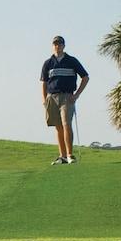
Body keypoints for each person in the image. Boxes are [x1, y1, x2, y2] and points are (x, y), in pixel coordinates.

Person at [40, 34, 90, 165]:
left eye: (60, 44)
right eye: (55, 44)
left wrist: (77, 94)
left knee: (66, 124)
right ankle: (62, 156)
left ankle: (69, 155)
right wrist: (44, 99)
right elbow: (44, 82)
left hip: (67, 97)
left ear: (64, 46)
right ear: (53, 46)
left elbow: (85, 77)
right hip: (52, 97)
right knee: (58, 127)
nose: (58, 46)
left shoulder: (72, 60)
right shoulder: (48, 63)